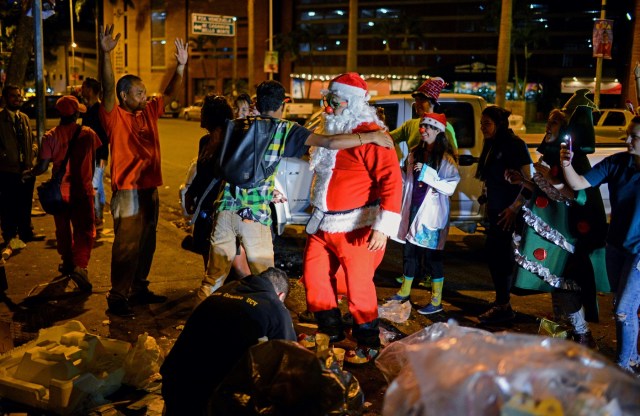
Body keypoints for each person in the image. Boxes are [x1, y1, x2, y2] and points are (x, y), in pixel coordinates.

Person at [195, 80, 394, 304]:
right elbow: (329, 142)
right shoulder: (284, 129)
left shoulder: (237, 124)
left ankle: (196, 329)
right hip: (253, 216)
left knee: (212, 278)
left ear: (257, 102)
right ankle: (270, 331)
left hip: (223, 211)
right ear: (282, 105)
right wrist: (369, 137)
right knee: (268, 281)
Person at [300, 73, 402, 364]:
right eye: (326, 100)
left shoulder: (375, 137)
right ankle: (329, 331)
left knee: (359, 287)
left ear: (354, 103)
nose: (328, 107)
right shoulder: (329, 131)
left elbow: (392, 183)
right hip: (322, 224)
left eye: (334, 101)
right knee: (314, 277)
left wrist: (383, 228)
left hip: (355, 226)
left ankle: (367, 341)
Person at [98, 24, 188, 317]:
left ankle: (138, 288)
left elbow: (171, 95)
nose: (144, 96)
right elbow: (108, 85)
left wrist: (181, 67)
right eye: (139, 93)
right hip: (127, 192)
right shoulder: (114, 115)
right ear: (124, 96)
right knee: (126, 245)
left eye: (145, 92)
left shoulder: (148, 110)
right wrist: (106, 56)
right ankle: (118, 295)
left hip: (149, 189)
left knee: (147, 242)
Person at [509, 105, 607, 348]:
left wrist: (552, 178)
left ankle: (583, 333)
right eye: (548, 123)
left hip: (568, 236)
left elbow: (577, 197)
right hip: (551, 235)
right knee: (555, 284)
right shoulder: (549, 157)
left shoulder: (574, 160)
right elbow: (543, 193)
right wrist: (522, 181)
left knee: (565, 285)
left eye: (553, 123)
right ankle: (567, 330)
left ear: (565, 129)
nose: (547, 128)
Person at [561, 115, 640, 374]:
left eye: (634, 137)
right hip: (616, 245)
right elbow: (578, 183)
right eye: (628, 134)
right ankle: (631, 358)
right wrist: (567, 164)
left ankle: (622, 369)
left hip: (639, 253)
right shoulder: (618, 162)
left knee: (624, 311)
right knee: (621, 306)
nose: (627, 140)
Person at [160, 267, 296, 416]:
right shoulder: (274, 304)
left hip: (174, 376)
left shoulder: (227, 288)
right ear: (280, 295)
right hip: (208, 390)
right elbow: (290, 356)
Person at [25, 96, 101, 292]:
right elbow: (94, 160)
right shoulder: (88, 134)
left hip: (59, 192)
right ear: (76, 114)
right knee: (84, 230)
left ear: (59, 114)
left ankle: (67, 262)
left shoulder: (50, 136)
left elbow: (42, 167)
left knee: (63, 229)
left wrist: (29, 173)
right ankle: (80, 267)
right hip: (82, 191)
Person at [389, 112, 460, 315]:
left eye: (428, 127)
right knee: (409, 253)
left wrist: (428, 173)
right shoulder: (414, 153)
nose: (423, 130)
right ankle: (404, 292)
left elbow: (450, 187)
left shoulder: (447, 160)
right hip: (413, 210)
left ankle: (436, 301)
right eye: (422, 126)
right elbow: (408, 182)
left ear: (439, 132)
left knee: (432, 258)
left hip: (432, 215)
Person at [475, 106, 532, 324]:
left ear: (499, 124)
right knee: (493, 255)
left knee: (501, 258)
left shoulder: (515, 145)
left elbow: (529, 182)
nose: (482, 128)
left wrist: (514, 209)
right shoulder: (492, 144)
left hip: (508, 213)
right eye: (481, 123)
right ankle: (502, 303)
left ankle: (503, 306)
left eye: (487, 124)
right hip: (496, 210)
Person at [184, 94, 251, 277]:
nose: (200, 115)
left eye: (204, 112)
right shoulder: (204, 142)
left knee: (227, 259)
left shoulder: (231, 143)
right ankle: (213, 289)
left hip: (224, 208)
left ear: (213, 115)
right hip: (205, 207)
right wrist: (191, 193)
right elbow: (202, 174)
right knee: (206, 251)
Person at [0, 85, 44, 248]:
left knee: (25, 202)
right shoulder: (1, 120)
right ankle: (10, 234)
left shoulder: (24, 118)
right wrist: (6, 156)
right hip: (7, 171)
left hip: (26, 168)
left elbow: (32, 139)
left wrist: (32, 151)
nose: (18, 99)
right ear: (5, 98)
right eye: (14, 96)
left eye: (19, 96)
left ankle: (26, 232)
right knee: (8, 204)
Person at [81, 77, 109, 230]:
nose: (81, 90)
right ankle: (97, 215)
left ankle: (97, 217)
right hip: (90, 155)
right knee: (97, 184)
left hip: (100, 155)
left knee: (95, 185)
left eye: (84, 87)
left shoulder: (99, 111)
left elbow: (105, 135)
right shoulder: (88, 110)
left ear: (90, 90)